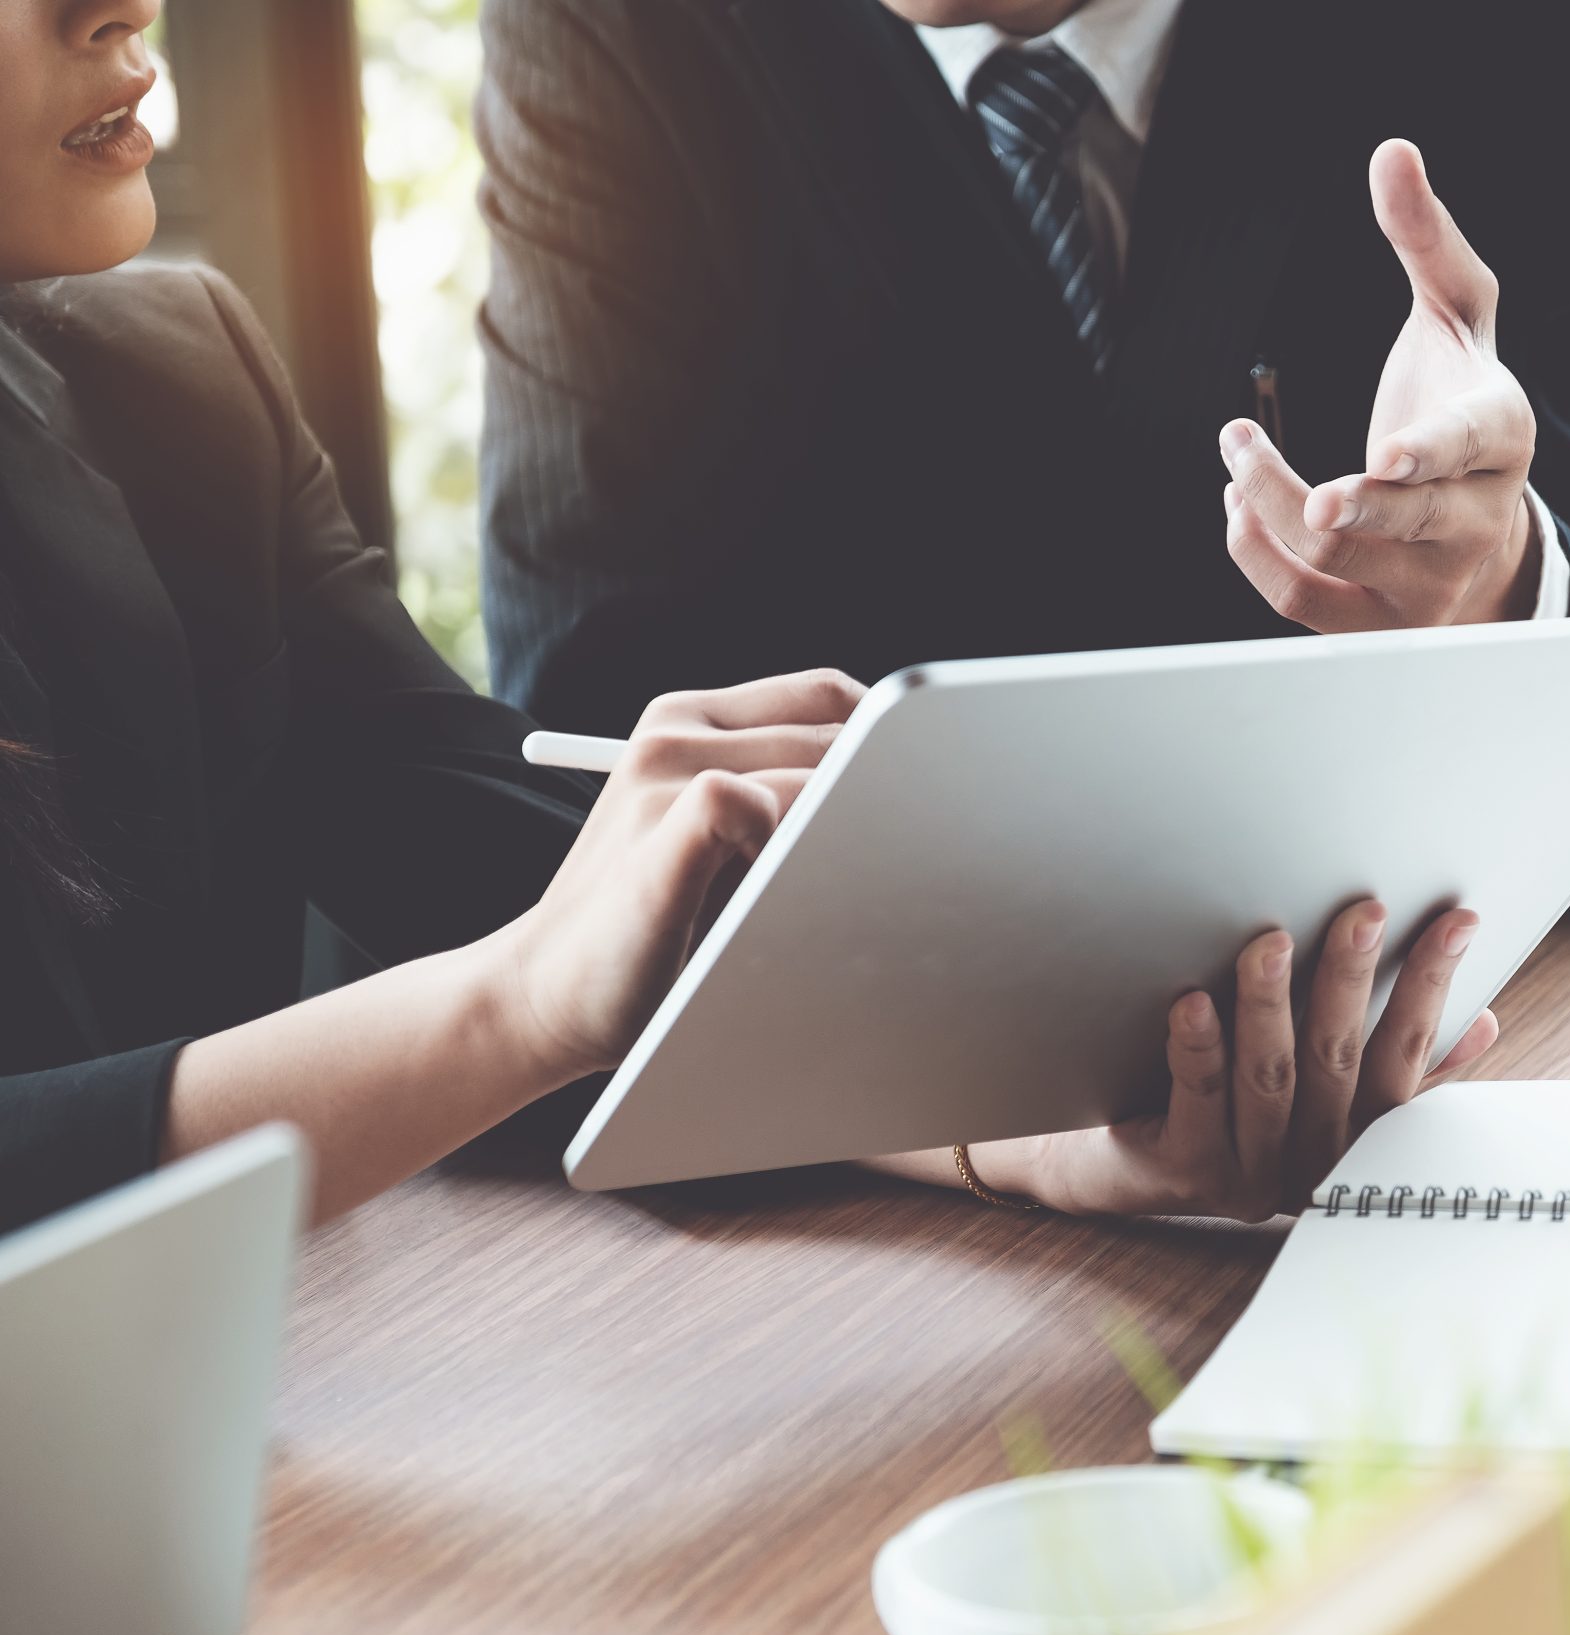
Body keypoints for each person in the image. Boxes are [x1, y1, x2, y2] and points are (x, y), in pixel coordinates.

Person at [0, 0, 1491, 1238]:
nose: (119, 8)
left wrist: (1028, 1132)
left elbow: (497, 877)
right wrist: (510, 1008)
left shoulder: (173, 387)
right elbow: (518, 975)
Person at [474, 0, 1570, 863]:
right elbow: (602, 730)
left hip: (1447, 1004)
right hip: (882, 1051)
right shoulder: (616, 29)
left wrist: (1505, 606)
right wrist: (1487, 770)